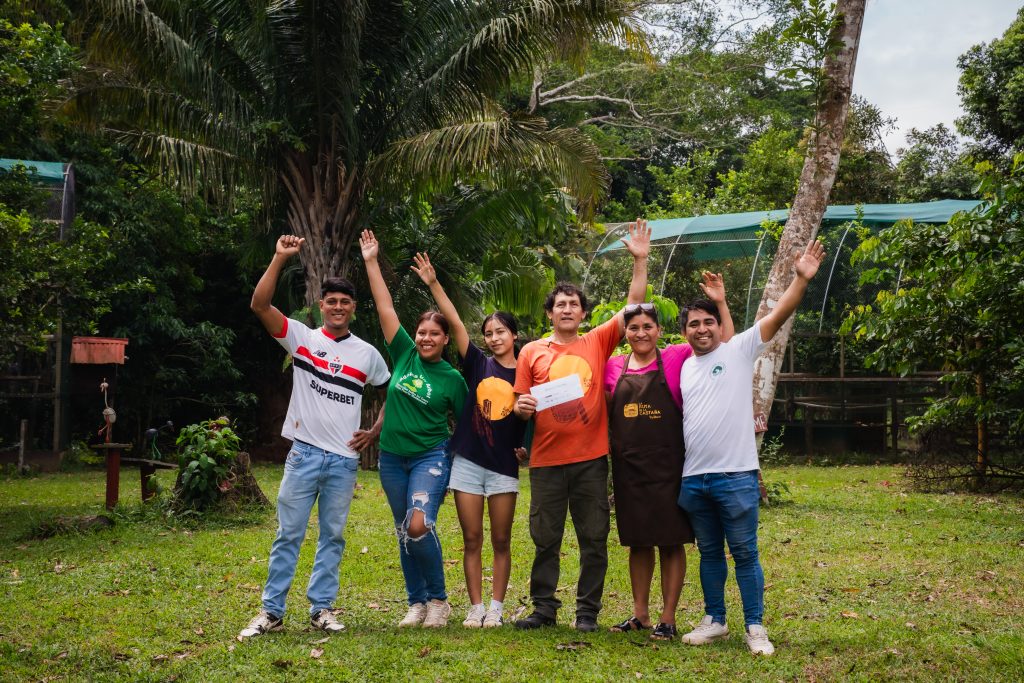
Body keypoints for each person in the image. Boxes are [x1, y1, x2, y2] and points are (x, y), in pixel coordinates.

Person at [677, 240, 826, 656]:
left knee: (744, 552)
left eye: (708, 322)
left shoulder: (739, 350)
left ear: (716, 326)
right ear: (684, 331)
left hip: (736, 476)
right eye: (694, 324)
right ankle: (714, 619)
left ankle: (756, 626)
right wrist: (719, 304)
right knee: (709, 553)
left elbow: (778, 316)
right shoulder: (684, 365)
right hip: (694, 478)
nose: (702, 329)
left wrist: (800, 278)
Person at [240, 234, 391, 639]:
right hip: (304, 455)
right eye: (331, 302)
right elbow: (259, 306)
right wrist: (278, 257)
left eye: (345, 302)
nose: (338, 308)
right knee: (288, 533)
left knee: (333, 537)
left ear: (353, 309)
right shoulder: (302, 339)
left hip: (343, 461)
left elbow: (393, 389)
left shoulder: (367, 354)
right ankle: (271, 612)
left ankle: (321, 609)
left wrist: (375, 430)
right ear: (321, 305)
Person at [512, 219, 651, 633]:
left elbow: (632, 306)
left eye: (574, 304)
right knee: (545, 538)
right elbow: (520, 403)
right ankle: (543, 609)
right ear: (550, 313)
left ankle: (587, 613)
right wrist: (523, 407)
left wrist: (640, 262)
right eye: (560, 304)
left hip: (591, 459)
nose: (567, 309)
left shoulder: (598, 341)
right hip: (546, 462)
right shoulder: (531, 352)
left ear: (584, 312)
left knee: (594, 538)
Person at [602, 273, 734, 641]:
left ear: (660, 331)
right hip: (629, 470)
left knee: (671, 541)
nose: (640, 333)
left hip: (671, 468)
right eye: (633, 328)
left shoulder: (677, 356)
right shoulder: (613, 367)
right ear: (625, 333)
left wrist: (720, 303)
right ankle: (640, 614)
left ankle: (668, 617)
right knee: (638, 541)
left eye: (647, 326)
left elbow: (723, 341)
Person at [411, 252, 527, 628]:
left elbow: (536, 416)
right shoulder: (478, 362)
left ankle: (496, 606)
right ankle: (475, 607)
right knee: (472, 538)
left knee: (502, 539)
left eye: (500, 332)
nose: (494, 338)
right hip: (468, 463)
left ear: (514, 335)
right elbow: (456, 322)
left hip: (504, 467)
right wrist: (432, 282)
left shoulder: (527, 371)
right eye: (489, 333)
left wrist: (529, 445)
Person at [360, 230, 468, 628]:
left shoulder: (453, 379)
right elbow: (385, 307)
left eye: (433, 334)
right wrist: (372, 261)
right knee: (404, 529)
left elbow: (468, 424)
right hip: (391, 458)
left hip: (430, 457)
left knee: (419, 523)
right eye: (421, 332)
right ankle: (416, 602)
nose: (425, 338)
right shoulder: (404, 352)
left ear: (444, 341)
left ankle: (439, 600)